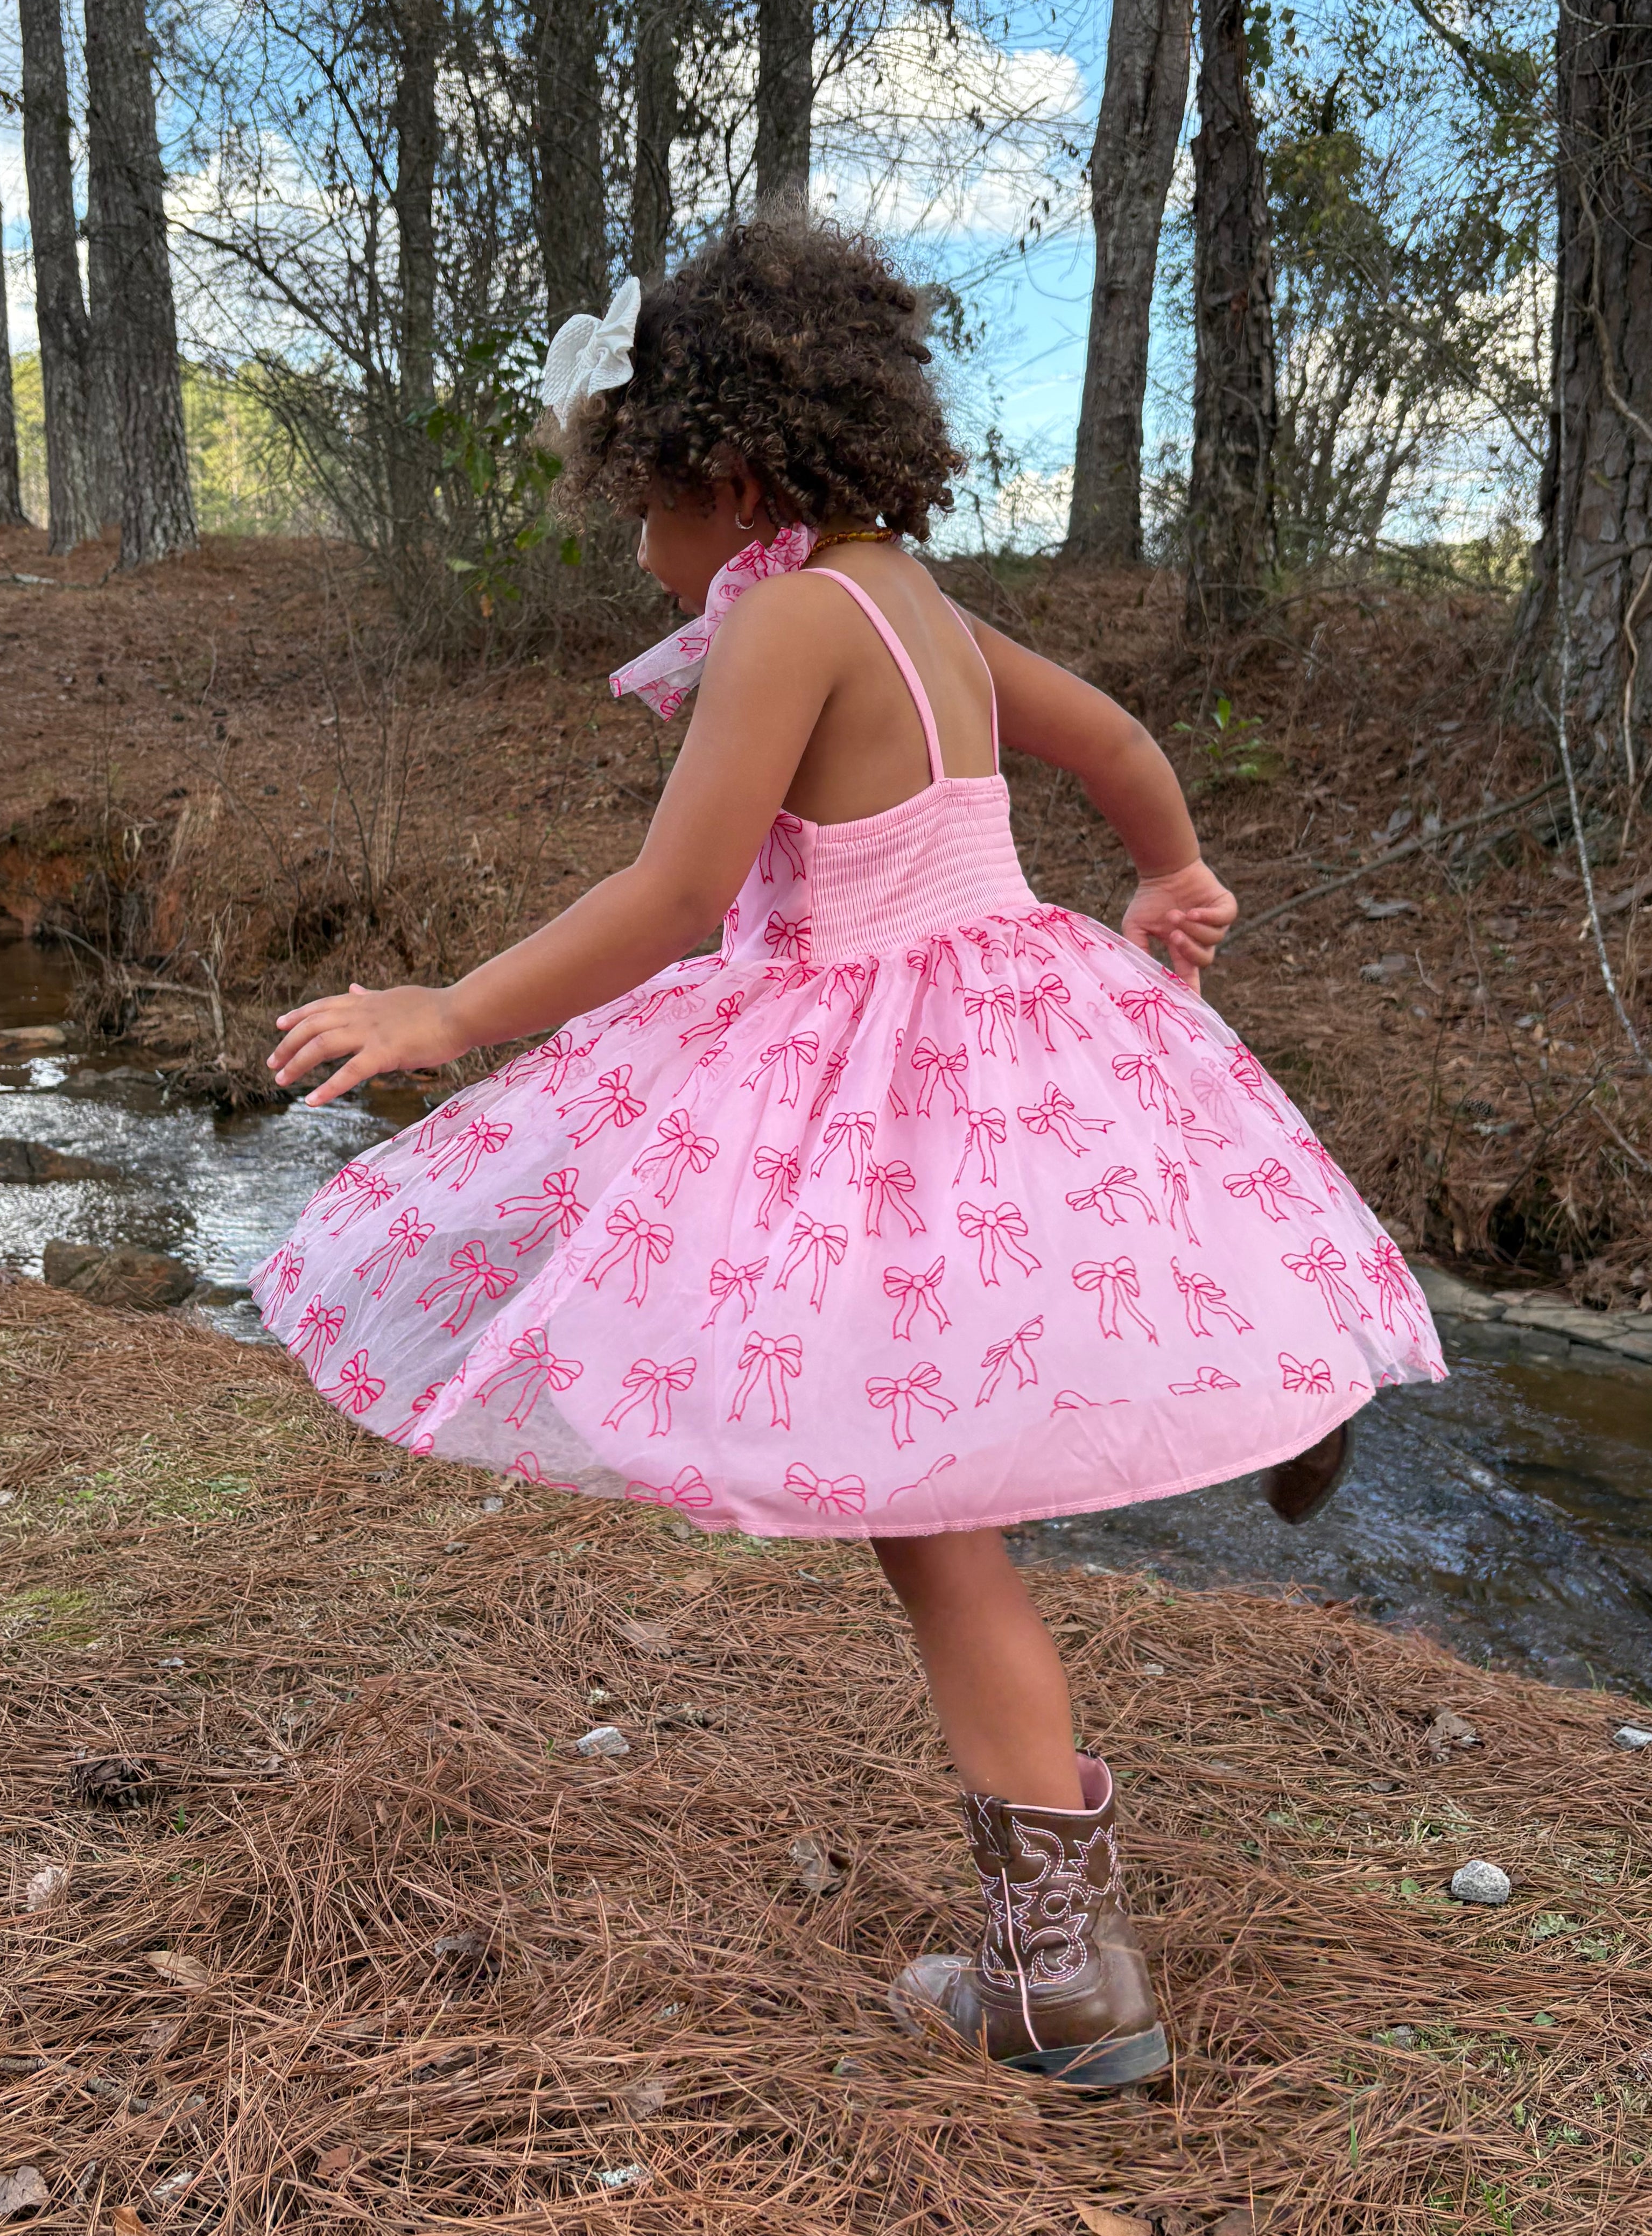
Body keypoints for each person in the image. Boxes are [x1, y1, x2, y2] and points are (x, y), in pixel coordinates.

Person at [256, 213, 1445, 2092]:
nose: (637, 550)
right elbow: (1115, 737)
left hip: (880, 1078)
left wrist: (446, 1015)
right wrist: (1171, 867)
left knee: (939, 1540)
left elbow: (673, 894)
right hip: (1016, 1039)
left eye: (641, 505)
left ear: (727, 479)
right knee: (967, 1476)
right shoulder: (920, 604)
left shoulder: (797, 618)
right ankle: (1080, 1898)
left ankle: (1066, 1978)